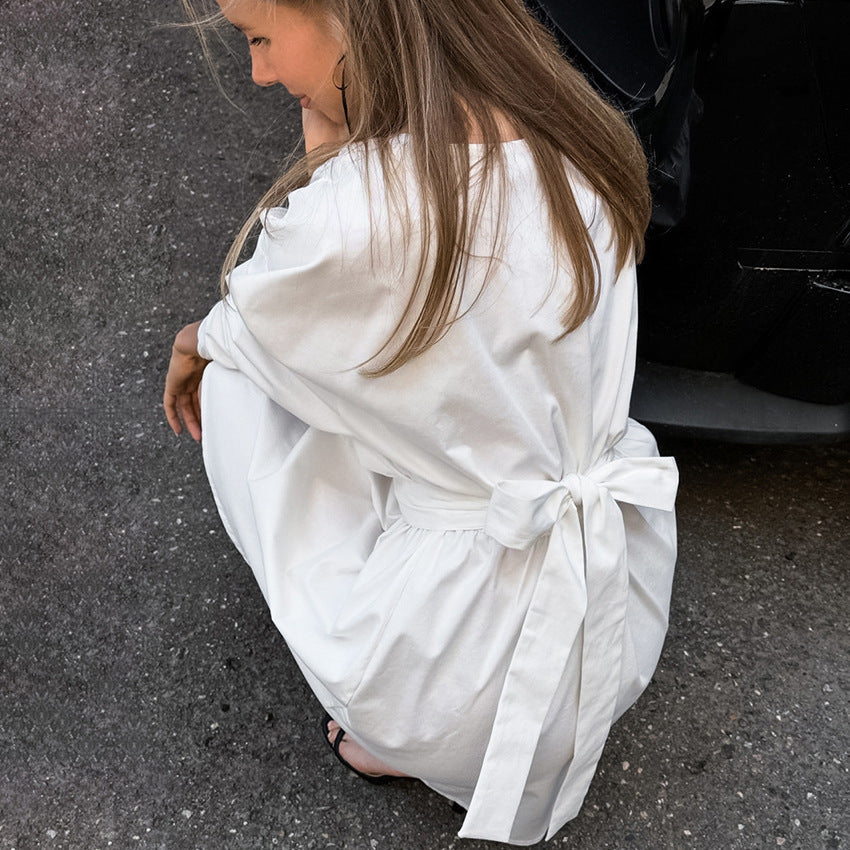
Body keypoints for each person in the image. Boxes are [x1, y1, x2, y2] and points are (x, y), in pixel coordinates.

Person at [163, 0, 678, 843]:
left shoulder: (358, 215)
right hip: (612, 617)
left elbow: (260, 315)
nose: (259, 72)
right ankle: (467, 742)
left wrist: (195, 344)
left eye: (258, 38)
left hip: (441, 674)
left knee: (241, 380)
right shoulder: (575, 138)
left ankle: (402, 736)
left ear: (352, 18)